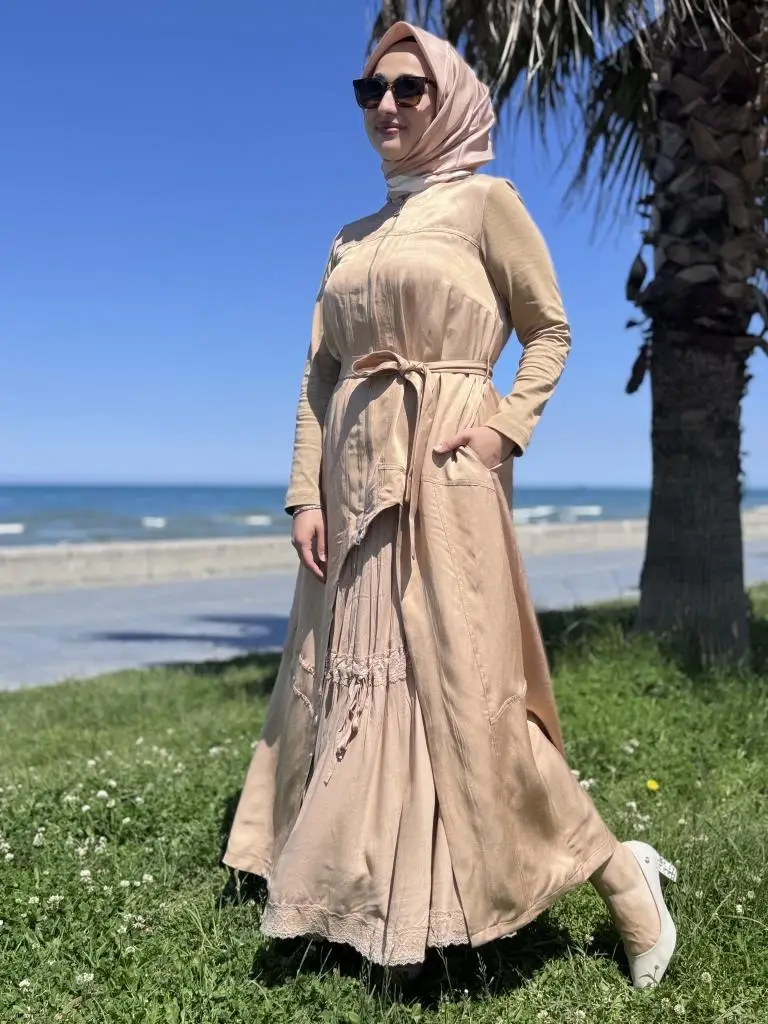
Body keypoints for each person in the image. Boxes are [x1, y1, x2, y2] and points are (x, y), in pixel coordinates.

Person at [223, 21, 677, 989]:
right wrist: (304, 493)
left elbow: (550, 329)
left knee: (467, 686)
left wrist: (504, 430)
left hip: (446, 468)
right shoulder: (350, 237)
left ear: (450, 98)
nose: (386, 105)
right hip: (352, 488)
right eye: (370, 91)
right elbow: (319, 375)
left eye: (408, 88)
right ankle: (377, 906)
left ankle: (619, 875)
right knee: (363, 685)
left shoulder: (485, 203)